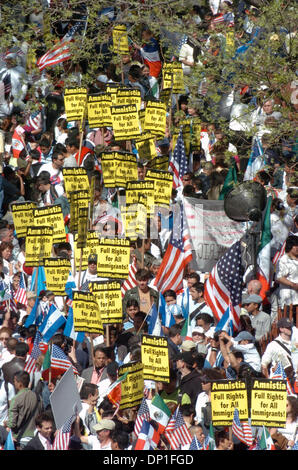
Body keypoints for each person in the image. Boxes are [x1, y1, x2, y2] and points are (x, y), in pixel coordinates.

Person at [6, 370, 42, 449]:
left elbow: (12, 423)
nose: (14, 383)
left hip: (20, 438)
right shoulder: (38, 397)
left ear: (20, 384)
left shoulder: (16, 399)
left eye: (15, 381)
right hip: (36, 438)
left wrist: (6, 425)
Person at [275, 235, 298, 308]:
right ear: (290, 246)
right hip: (288, 300)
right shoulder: (283, 260)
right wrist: (294, 285)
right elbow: (279, 277)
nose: (297, 248)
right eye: (295, 246)